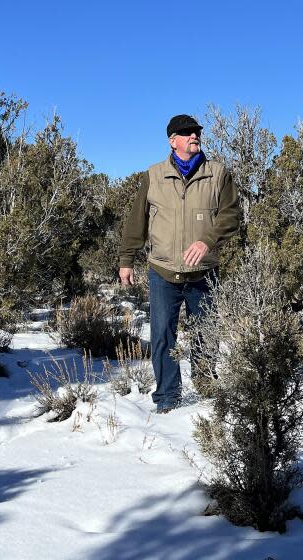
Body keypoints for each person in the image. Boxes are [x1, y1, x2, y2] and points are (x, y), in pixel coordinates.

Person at [117, 114, 240, 413]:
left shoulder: (218, 174)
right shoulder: (154, 176)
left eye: (196, 132)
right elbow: (137, 221)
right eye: (186, 133)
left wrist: (206, 241)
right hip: (162, 271)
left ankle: (207, 389)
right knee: (162, 336)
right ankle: (168, 398)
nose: (194, 136)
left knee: (206, 334)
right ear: (172, 141)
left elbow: (231, 216)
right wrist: (126, 260)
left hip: (204, 273)